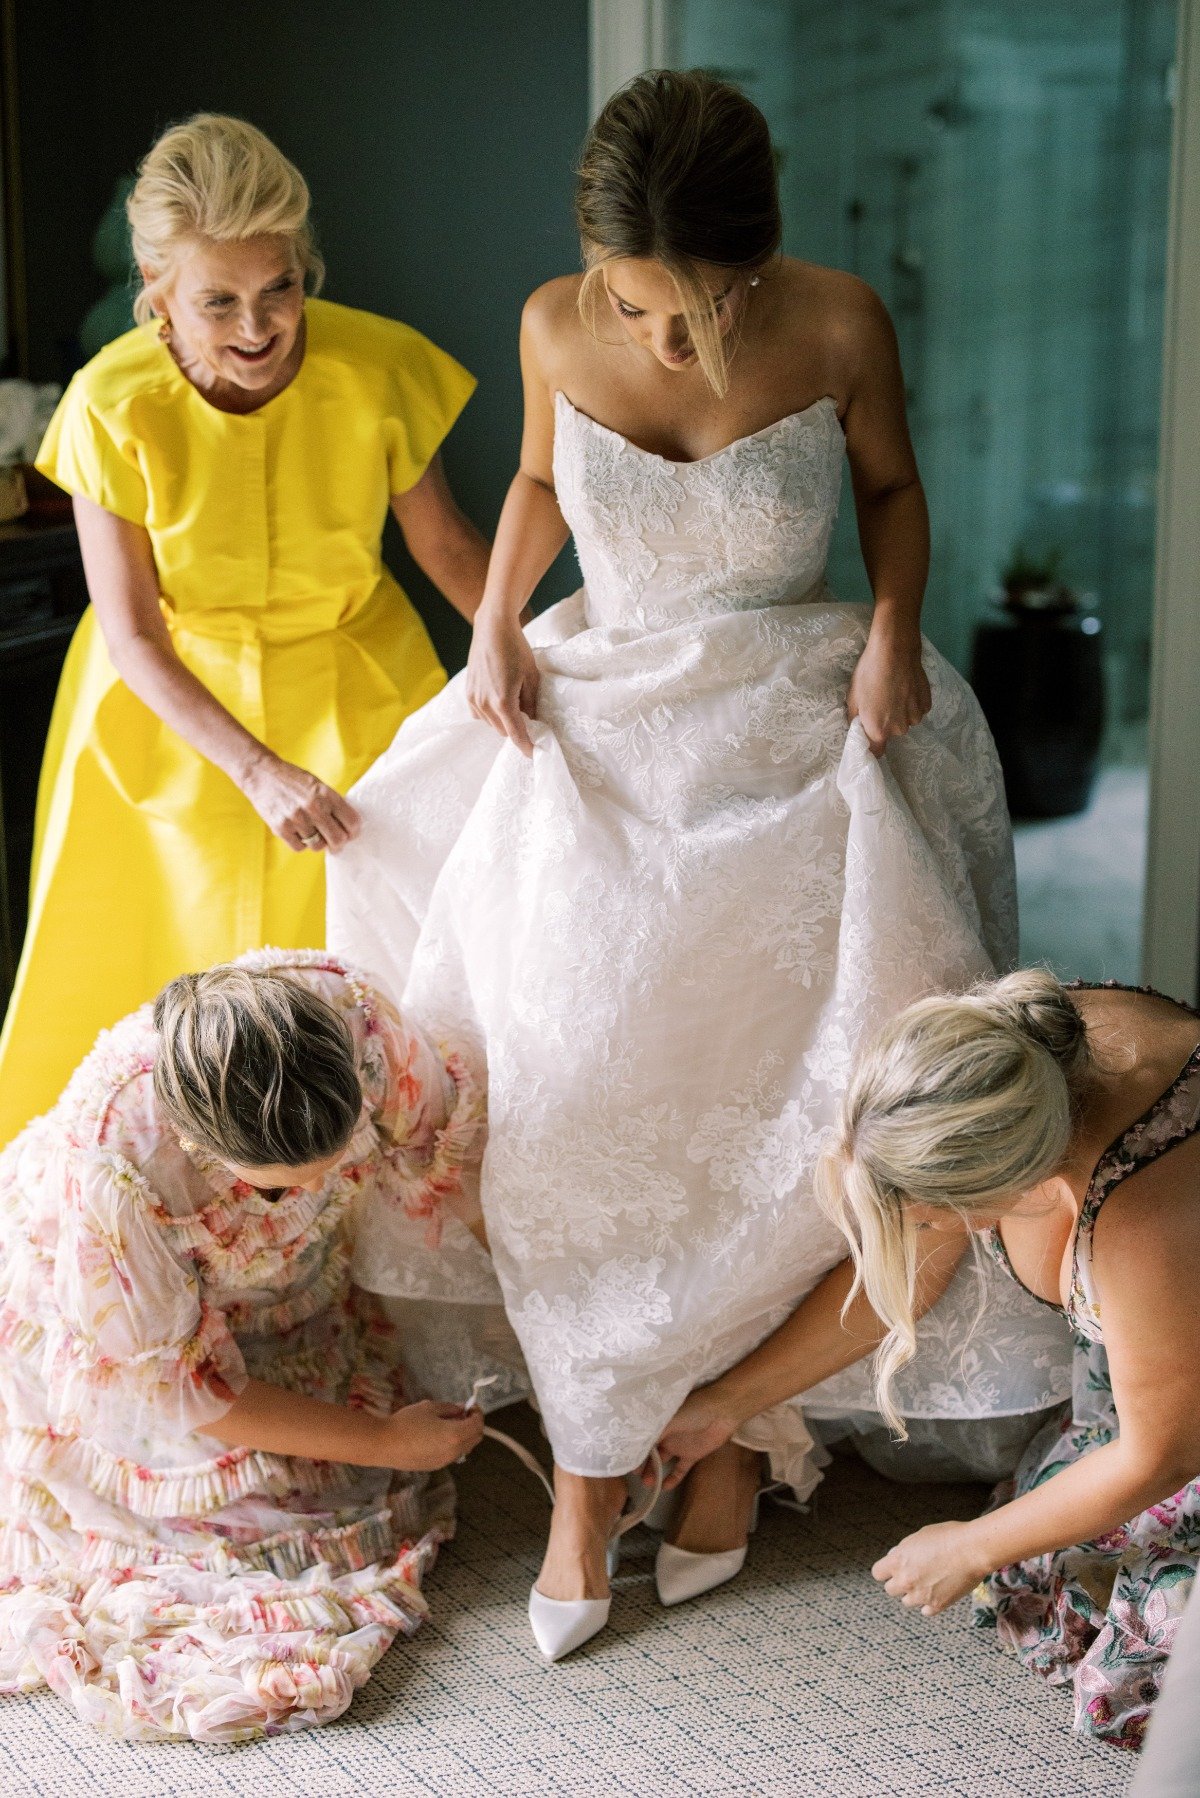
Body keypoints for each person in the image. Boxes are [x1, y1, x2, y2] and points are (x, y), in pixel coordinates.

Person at [327, 70, 1070, 1661]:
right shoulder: (547, 324)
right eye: (644, 307)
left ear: (764, 258)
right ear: (598, 270)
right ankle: (594, 1464)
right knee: (568, 1079)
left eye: (709, 303)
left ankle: (731, 1430)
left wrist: (888, 633)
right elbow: (533, 483)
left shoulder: (843, 318)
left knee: (808, 1092)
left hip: (800, 724)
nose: (675, 342)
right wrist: (495, 625)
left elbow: (889, 491)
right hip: (610, 718)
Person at [0, 114, 488, 1143]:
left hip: (357, 683)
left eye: (282, 289)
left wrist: (538, 653)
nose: (260, 326)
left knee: (369, 980)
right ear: (156, 290)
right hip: (171, 708)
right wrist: (258, 770)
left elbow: (446, 546)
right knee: (158, 985)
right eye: (219, 300)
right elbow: (130, 633)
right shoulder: (109, 402)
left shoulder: (381, 368)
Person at [661, 971, 1200, 1751]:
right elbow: (905, 1278)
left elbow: (1164, 1452)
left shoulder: (1148, 1220)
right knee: (1048, 1557)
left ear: (1022, 1184)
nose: (928, 1235)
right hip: (1162, 1365)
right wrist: (723, 1407)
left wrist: (971, 1546)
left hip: (1180, 1424)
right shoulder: (1007, 1065)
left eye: (931, 1218)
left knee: (1138, 1666)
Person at [0, 949, 493, 1741]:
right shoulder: (118, 1167)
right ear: (197, 1149)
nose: (303, 1198)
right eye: (273, 1186)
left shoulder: (358, 1020)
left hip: (286, 1285)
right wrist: (383, 1440)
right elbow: (183, 1389)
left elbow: (450, 1163)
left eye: (329, 1168)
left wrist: (544, 1312)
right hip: (135, 1313)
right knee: (258, 1537)